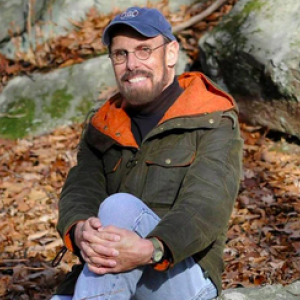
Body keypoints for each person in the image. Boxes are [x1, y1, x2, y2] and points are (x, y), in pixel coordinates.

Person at [51, 6, 243, 300]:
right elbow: (80, 188)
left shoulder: (211, 117)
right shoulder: (103, 124)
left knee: (120, 208)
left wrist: (151, 248)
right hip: (114, 272)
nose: (131, 64)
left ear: (171, 53)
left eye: (143, 50)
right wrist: (78, 229)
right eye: (120, 54)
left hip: (181, 273)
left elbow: (206, 204)